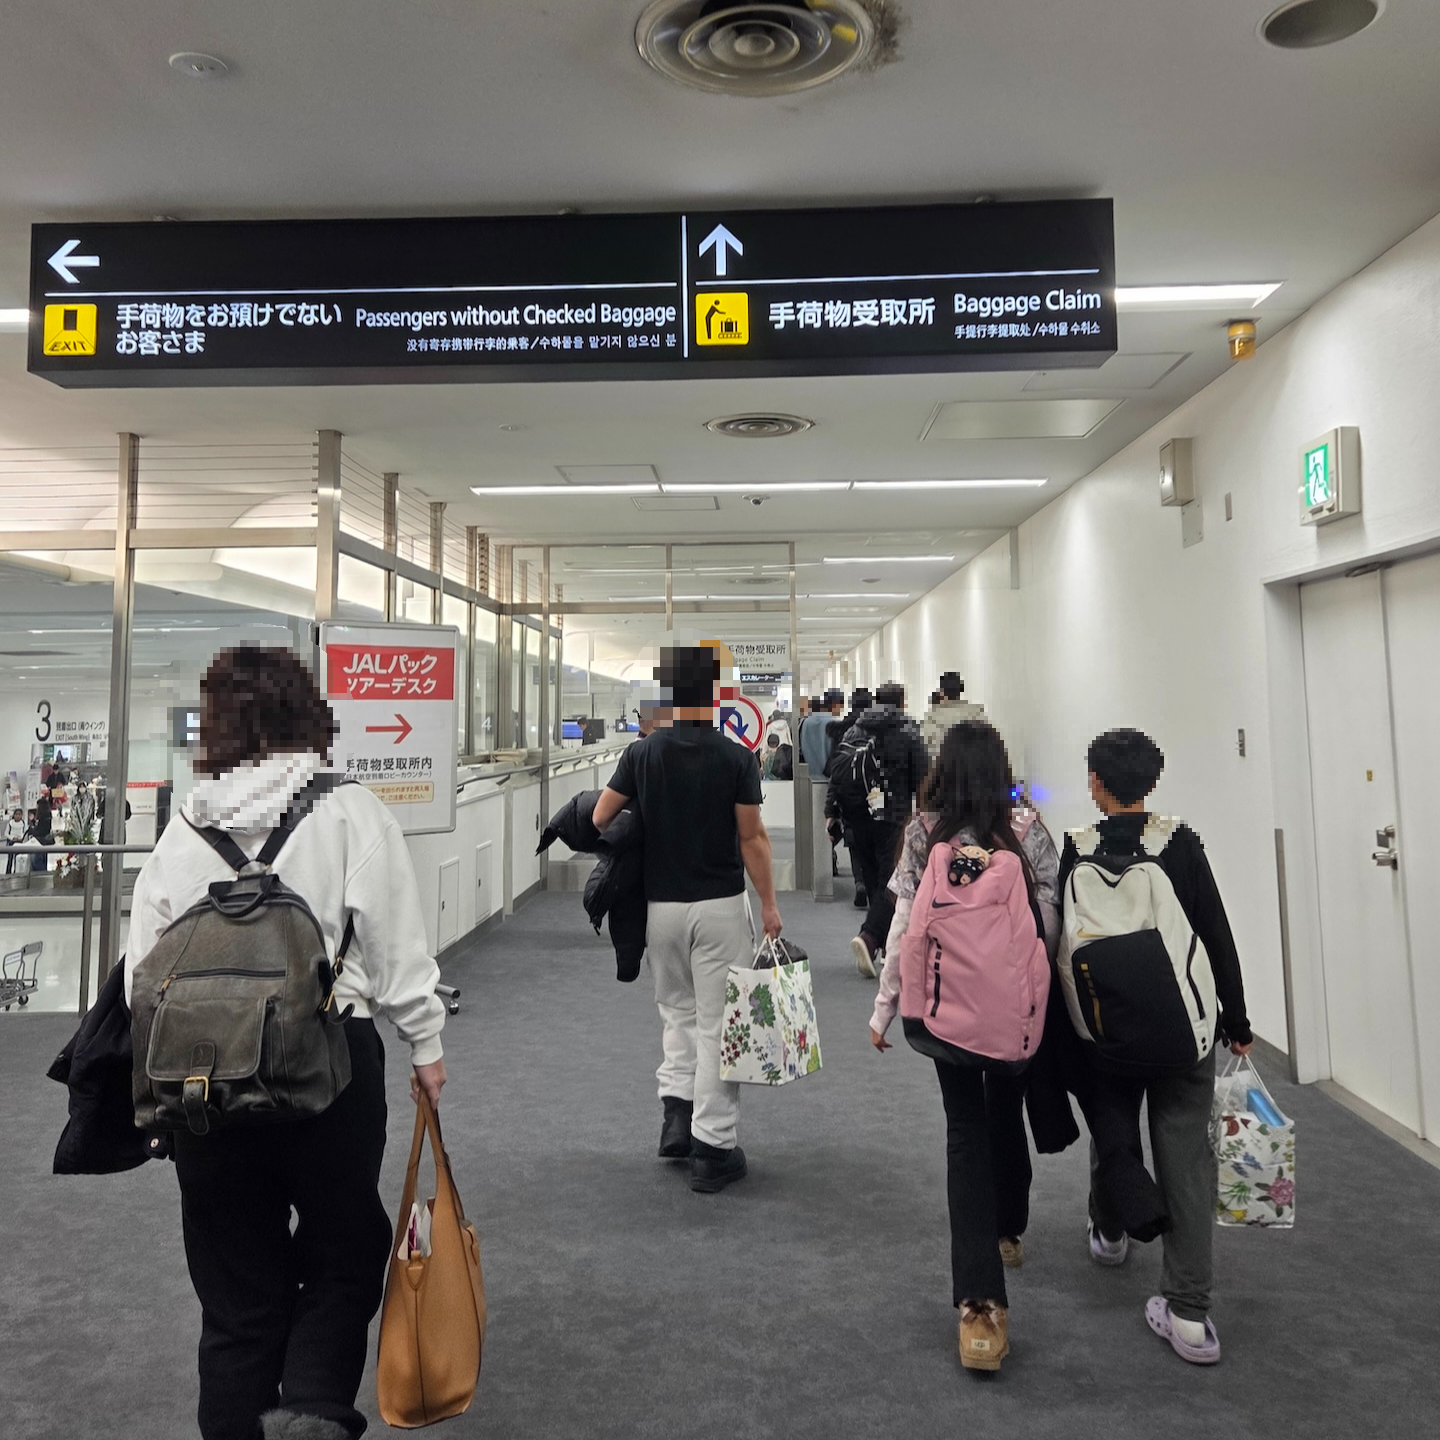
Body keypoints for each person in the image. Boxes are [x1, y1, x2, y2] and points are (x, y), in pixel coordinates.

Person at [124, 646, 447, 1440]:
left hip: (203, 1085)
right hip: (330, 1067)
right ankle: (311, 1407)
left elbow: (142, 973)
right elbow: (397, 946)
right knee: (345, 1249)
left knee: (236, 1291)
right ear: (310, 715)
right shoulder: (348, 810)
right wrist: (426, 1046)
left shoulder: (185, 826)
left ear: (215, 724)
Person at [868, 721, 1059, 1371]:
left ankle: (980, 1302)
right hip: (1014, 1010)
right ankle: (1007, 1229)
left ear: (941, 771)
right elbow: (1050, 919)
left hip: (946, 1012)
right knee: (1006, 1109)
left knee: (964, 1132)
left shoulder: (925, 833)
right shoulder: (1029, 831)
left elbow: (905, 927)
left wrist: (885, 1007)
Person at [1058, 728, 1252, 1367]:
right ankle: (1189, 1313)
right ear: (1153, 782)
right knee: (1185, 1156)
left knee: (1112, 1127)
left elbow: (1061, 945)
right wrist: (1236, 1019)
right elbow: (1215, 934)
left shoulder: (1077, 848)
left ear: (1095, 783)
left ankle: (1111, 1232)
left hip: (1106, 1029)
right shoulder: (1180, 844)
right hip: (1182, 1031)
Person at [593, 643, 782, 1194]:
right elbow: (752, 838)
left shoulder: (642, 754)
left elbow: (602, 817)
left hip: (663, 910)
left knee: (676, 1014)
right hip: (719, 907)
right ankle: (713, 1148)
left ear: (668, 693)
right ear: (715, 694)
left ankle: (676, 1120)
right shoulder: (735, 758)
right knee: (718, 1024)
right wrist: (769, 904)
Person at [828, 682, 928, 978]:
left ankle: (883, 944)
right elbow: (922, 780)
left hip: (857, 816)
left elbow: (837, 773)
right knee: (891, 882)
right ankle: (870, 936)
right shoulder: (908, 732)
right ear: (902, 702)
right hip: (892, 818)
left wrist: (831, 811)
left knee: (873, 879)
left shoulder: (855, 729)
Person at [921, 672, 987, 757]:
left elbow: (926, 749)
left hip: (945, 764)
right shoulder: (978, 714)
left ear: (942, 692)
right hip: (975, 764)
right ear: (961, 690)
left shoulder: (931, 718)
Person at [4, 806, 23, 875]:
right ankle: (8, 872)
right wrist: (12, 838)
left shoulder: (23, 823)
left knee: (17, 859)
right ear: (14, 815)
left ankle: (16, 871)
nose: (18, 816)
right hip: (11, 842)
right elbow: (6, 833)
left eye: (19, 814)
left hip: (19, 842)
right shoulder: (10, 823)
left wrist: (21, 838)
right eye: (16, 814)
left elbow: (24, 832)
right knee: (10, 858)